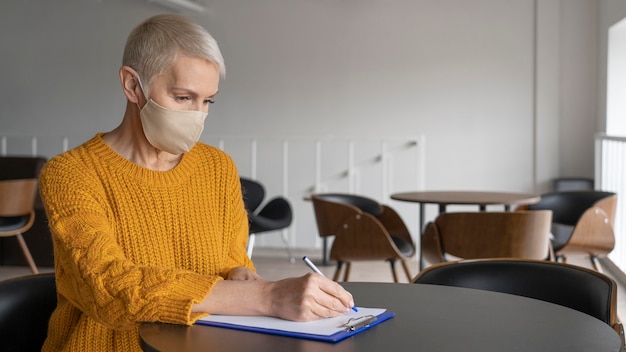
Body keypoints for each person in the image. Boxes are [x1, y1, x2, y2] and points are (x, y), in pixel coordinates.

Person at [39, 14, 354, 352]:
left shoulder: (217, 167)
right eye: (183, 97)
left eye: (208, 101)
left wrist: (242, 276)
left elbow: (234, 265)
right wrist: (267, 295)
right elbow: (113, 290)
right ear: (133, 85)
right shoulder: (71, 173)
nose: (198, 114)